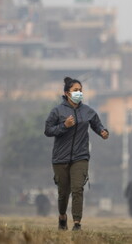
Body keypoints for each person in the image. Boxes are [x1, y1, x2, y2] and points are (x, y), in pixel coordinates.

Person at [44, 76, 109, 232]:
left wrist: (103, 132)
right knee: (63, 193)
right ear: (67, 93)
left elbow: (97, 125)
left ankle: (77, 223)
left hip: (81, 157)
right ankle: (62, 217)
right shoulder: (57, 111)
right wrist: (64, 126)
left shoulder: (88, 111)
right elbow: (48, 130)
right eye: (75, 90)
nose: (79, 93)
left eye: (80, 90)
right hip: (60, 158)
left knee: (78, 188)